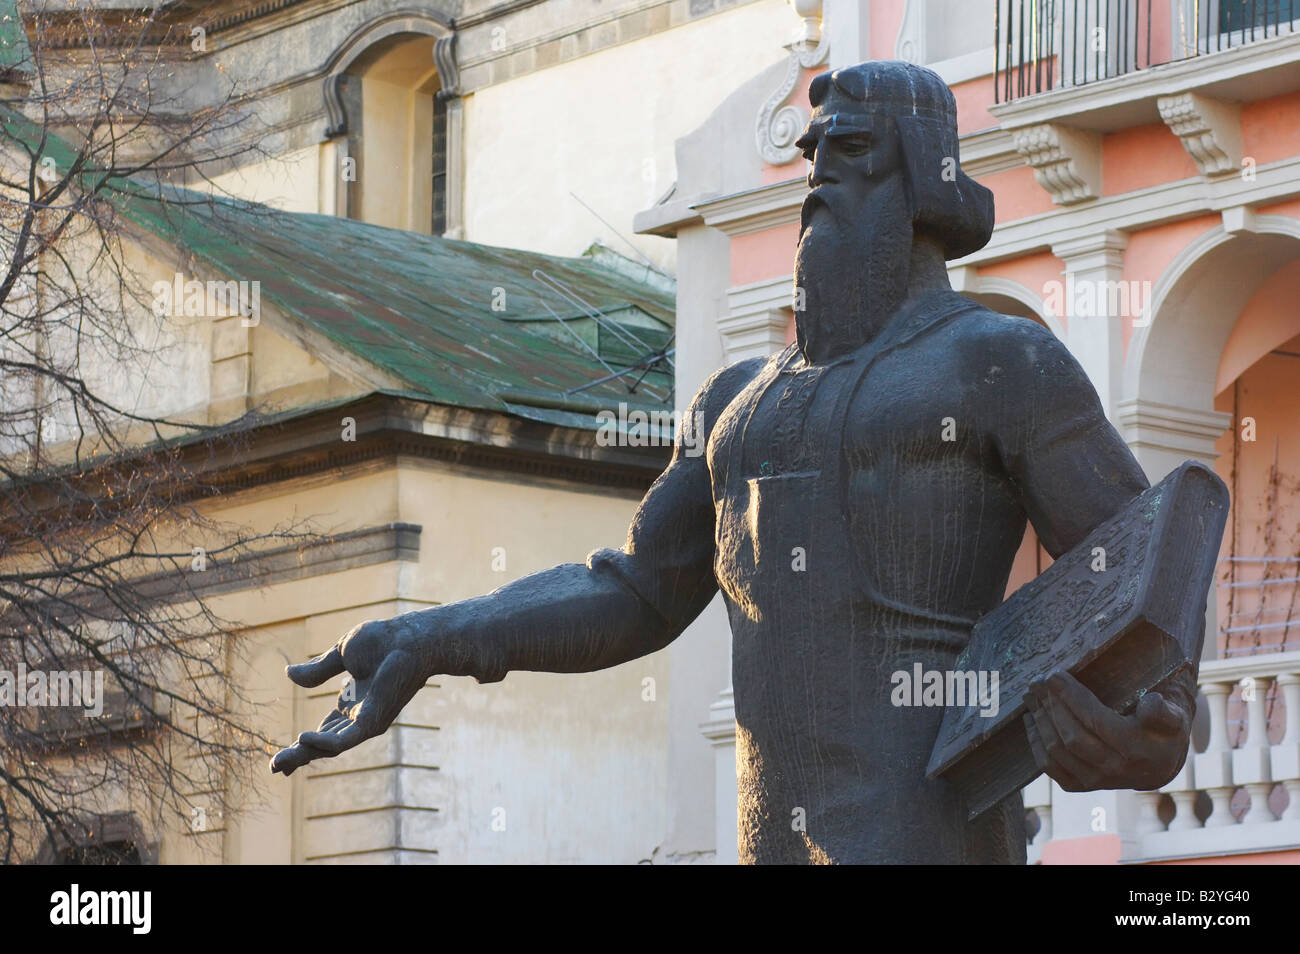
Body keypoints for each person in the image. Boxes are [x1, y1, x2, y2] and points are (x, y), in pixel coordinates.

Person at [272, 61, 1196, 864]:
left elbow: (1142, 563)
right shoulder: (732, 400)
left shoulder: (999, 361)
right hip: (768, 843)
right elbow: (636, 589)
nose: (821, 174)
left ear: (926, 182)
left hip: (932, 838)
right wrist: (438, 636)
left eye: (856, 150)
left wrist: (1156, 727)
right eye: (813, 153)